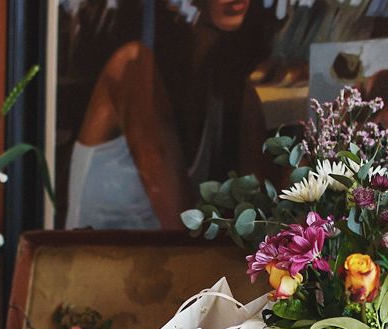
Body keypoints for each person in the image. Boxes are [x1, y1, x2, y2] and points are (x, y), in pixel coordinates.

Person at [65, 0, 276, 230]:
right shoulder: (133, 67)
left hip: (175, 263)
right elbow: (184, 229)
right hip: (99, 263)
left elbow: (262, 221)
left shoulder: (234, 89)